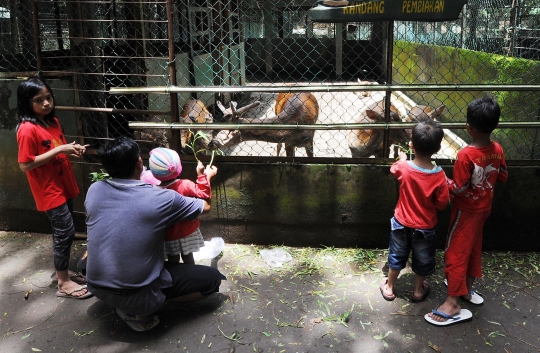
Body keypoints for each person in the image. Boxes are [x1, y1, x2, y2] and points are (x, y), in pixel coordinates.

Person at [85, 137, 226, 332]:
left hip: (97, 286)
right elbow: (206, 206)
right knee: (212, 280)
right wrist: (206, 177)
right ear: (139, 163)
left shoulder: (95, 190)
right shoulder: (162, 198)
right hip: (139, 293)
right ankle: (141, 308)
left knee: (86, 261)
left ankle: (124, 302)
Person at [425, 95, 508, 326]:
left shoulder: (465, 155)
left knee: (455, 252)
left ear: (468, 127)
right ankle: (466, 290)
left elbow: (459, 188)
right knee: (473, 247)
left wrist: (443, 180)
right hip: (484, 209)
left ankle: (452, 304)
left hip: (466, 212)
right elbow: (502, 176)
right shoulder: (498, 149)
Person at [16, 77, 91, 299]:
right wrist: (60, 151)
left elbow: (58, 148)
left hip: (63, 184)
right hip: (48, 190)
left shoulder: (52, 122)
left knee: (63, 233)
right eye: (39, 100)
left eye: (48, 97)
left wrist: (72, 149)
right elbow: (25, 164)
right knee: (65, 232)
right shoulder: (27, 129)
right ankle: (63, 283)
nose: (46, 103)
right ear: (26, 103)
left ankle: (63, 272)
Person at [380, 119, 449, 303]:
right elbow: (442, 203)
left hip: (401, 222)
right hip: (426, 226)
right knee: (423, 259)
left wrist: (403, 159)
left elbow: (393, 169)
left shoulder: (404, 167)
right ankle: (418, 290)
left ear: (411, 144)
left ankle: (389, 288)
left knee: (396, 255)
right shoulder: (440, 175)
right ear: (438, 148)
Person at [141, 147, 217, 264]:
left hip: (168, 235)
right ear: (179, 168)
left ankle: (175, 281)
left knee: (173, 260)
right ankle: (191, 279)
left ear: (153, 172)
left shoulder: (153, 191)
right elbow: (203, 193)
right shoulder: (185, 184)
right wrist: (203, 176)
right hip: (187, 231)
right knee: (189, 258)